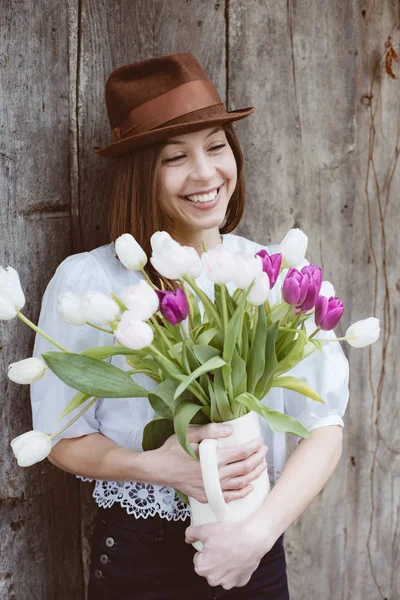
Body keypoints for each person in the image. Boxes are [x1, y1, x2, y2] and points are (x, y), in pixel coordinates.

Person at [30, 52, 349, 599]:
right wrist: (160, 467)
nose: (206, 174)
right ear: (140, 173)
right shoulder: (92, 281)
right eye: (176, 157)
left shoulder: (273, 274)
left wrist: (258, 534)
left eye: (218, 147)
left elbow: (324, 426)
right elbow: (62, 438)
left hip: (253, 547)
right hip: (138, 560)